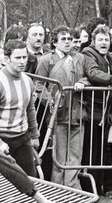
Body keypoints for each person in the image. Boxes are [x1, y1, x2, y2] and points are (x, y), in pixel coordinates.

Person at [35, 26, 89, 189]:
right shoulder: (46, 60)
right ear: (54, 42)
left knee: (75, 155)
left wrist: (83, 82)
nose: (67, 42)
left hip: (77, 112)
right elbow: (38, 84)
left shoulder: (80, 58)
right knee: (58, 156)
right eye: (63, 39)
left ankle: (73, 189)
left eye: (70, 39)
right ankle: (58, 189)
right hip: (57, 114)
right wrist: (50, 101)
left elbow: (89, 76)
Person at [0, 40, 39, 176]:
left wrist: (34, 135)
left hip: (22, 137)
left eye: (24, 57)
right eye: (18, 58)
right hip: (2, 139)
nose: (22, 62)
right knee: (2, 185)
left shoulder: (28, 81)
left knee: (30, 180)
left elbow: (30, 109)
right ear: (7, 59)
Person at [81, 25, 112, 196]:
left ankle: (107, 186)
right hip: (93, 111)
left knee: (107, 149)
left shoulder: (109, 58)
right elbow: (92, 73)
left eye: (107, 39)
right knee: (93, 151)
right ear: (93, 41)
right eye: (100, 39)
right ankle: (91, 188)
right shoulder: (88, 53)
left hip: (107, 112)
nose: (104, 42)